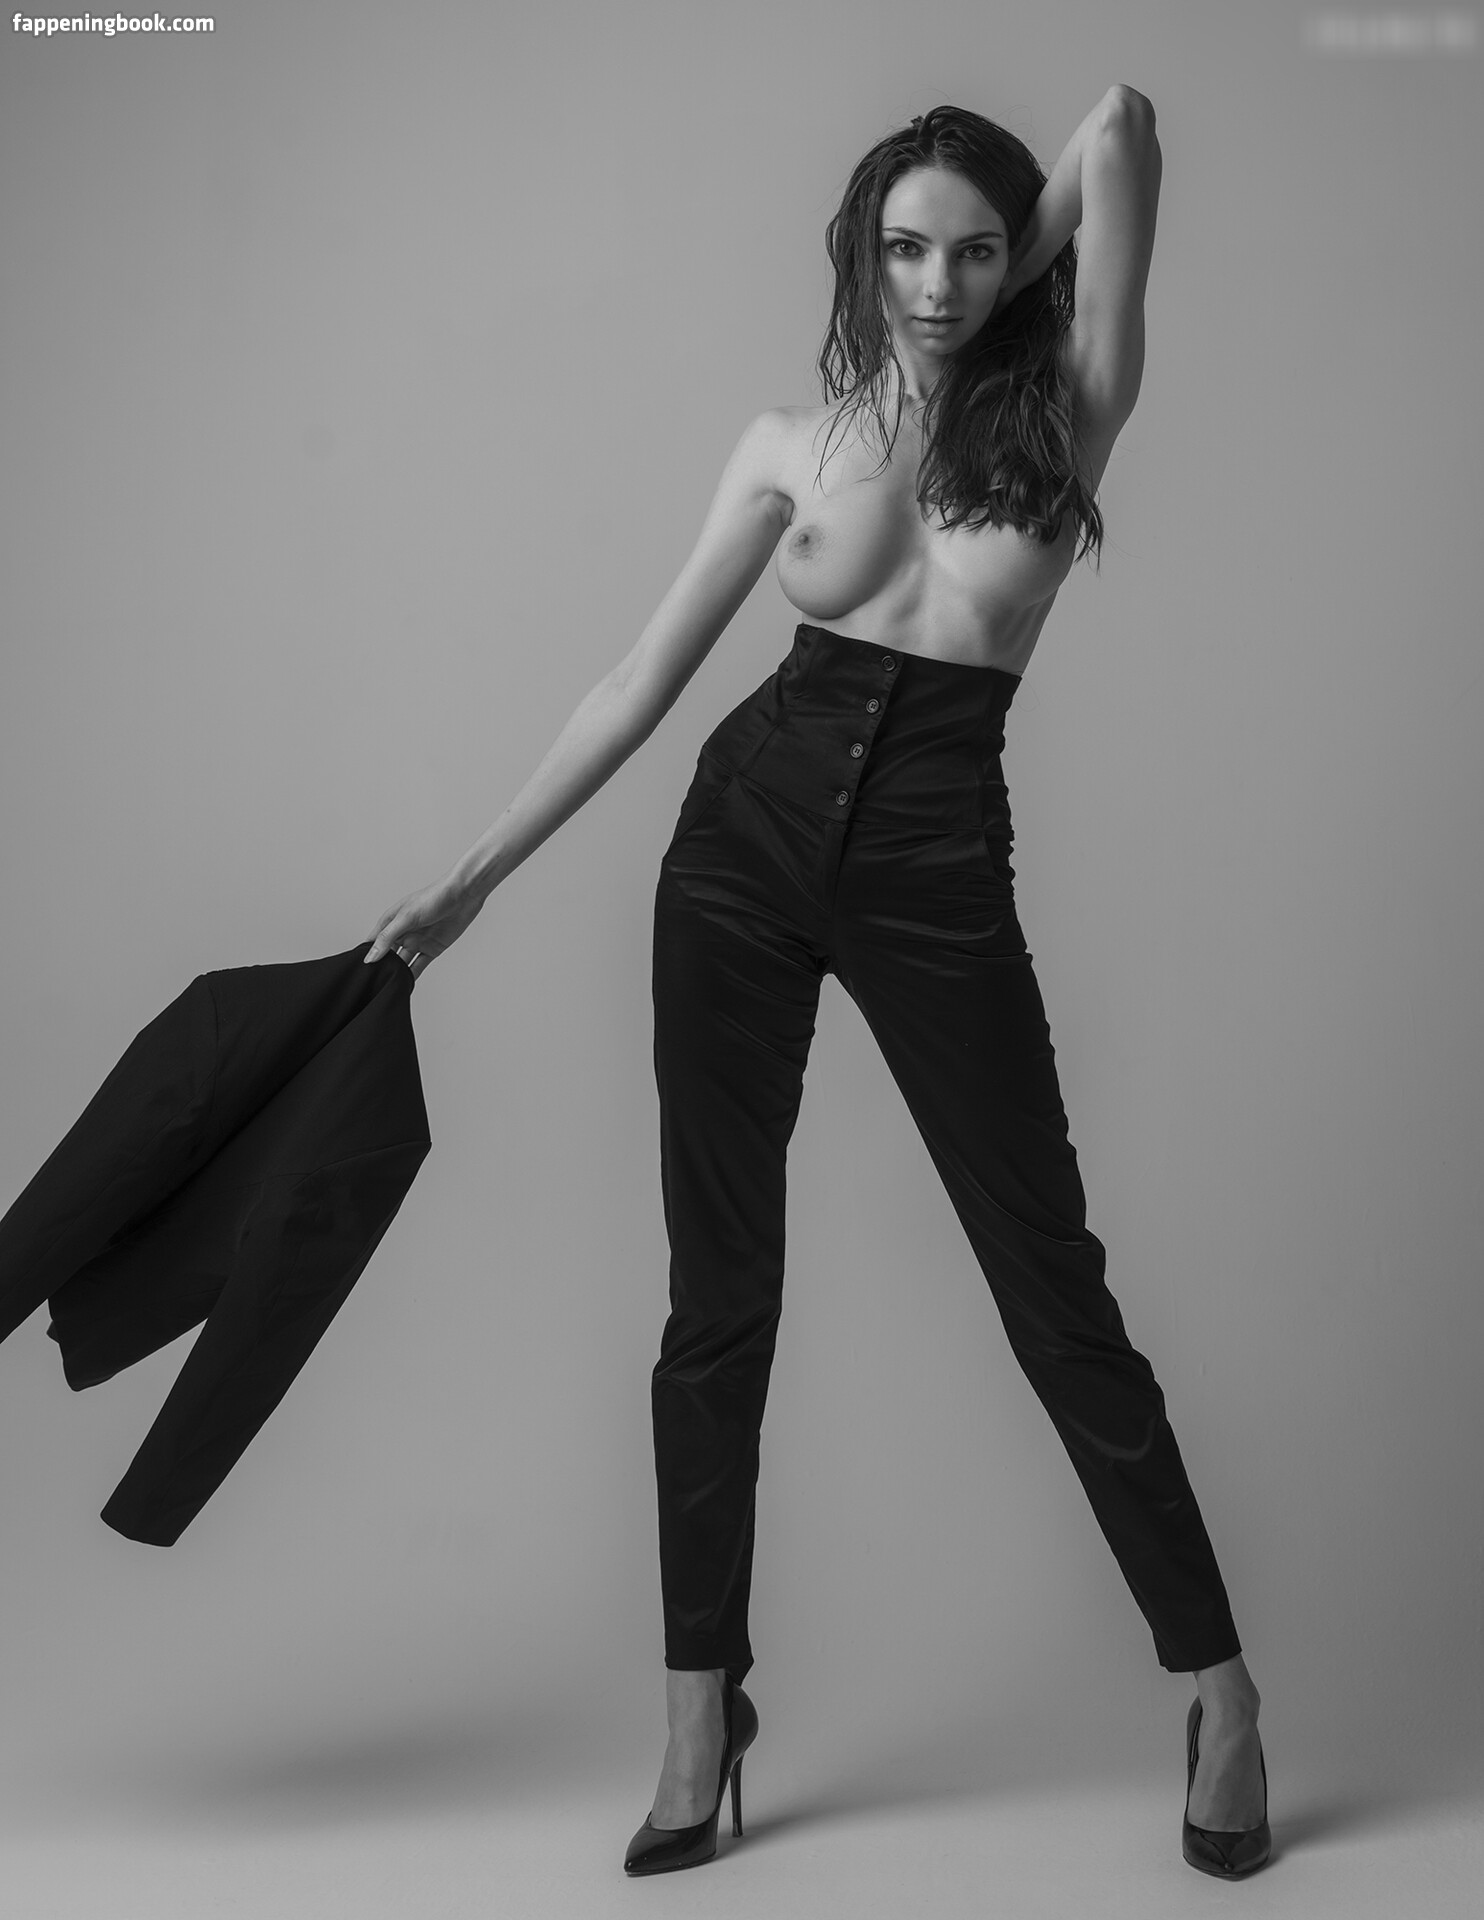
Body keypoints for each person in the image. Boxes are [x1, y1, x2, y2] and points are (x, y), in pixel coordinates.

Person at [362, 92, 1271, 1881]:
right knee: (717, 1300)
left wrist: (1011, 279)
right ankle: (701, 1710)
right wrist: (468, 883)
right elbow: (640, 675)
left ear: (1025, 260)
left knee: (1053, 1290)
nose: (935, 283)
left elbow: (1122, 126)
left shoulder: (1077, 402)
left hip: (936, 867)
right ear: (861, 252)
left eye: (976, 250)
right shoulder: (792, 443)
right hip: (740, 850)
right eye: (904, 248)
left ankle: (1225, 1695)